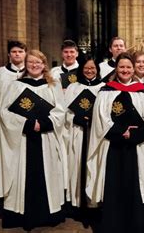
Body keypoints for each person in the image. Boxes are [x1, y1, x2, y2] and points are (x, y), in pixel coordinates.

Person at [0, 49, 66, 230]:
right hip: (23, 138)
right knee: (23, 174)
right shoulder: (16, 85)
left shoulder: (53, 85)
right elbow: (5, 112)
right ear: (26, 65)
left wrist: (43, 123)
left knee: (48, 175)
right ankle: (21, 215)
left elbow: (61, 111)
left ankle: (47, 214)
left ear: (44, 65)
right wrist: (26, 123)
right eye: (31, 62)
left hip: (46, 137)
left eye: (38, 62)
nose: (35, 65)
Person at [87, 52, 144, 232]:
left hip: (136, 146)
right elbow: (100, 118)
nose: (125, 70)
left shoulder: (143, 91)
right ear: (116, 69)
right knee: (113, 185)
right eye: (122, 67)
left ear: (133, 69)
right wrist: (120, 132)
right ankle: (112, 225)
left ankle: (136, 224)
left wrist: (134, 135)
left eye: (128, 67)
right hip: (113, 146)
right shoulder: (106, 91)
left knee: (135, 184)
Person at [63, 56, 104, 226]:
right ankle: (77, 203)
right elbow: (64, 111)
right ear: (81, 69)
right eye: (86, 68)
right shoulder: (73, 87)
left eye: (93, 68)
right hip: (78, 133)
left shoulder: (103, 88)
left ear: (97, 70)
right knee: (77, 166)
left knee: (94, 166)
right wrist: (75, 118)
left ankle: (94, 202)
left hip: (96, 135)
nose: (89, 71)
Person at [0, 40, 27, 132]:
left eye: (20, 51)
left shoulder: (30, 73)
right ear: (9, 54)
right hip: (3, 117)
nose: (17, 54)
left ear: (25, 54)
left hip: (25, 118)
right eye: (14, 52)